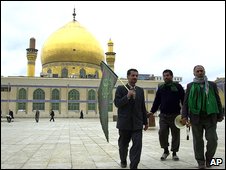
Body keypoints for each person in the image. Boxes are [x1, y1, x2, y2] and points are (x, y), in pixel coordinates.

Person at [181, 65, 224, 169]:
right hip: (196, 117)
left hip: (210, 117)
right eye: (198, 71)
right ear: (194, 73)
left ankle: (209, 160)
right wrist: (184, 116)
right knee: (198, 141)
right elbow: (185, 102)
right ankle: (200, 162)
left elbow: (218, 100)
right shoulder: (190, 86)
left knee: (213, 139)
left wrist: (221, 114)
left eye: (201, 71)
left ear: (204, 72)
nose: (200, 72)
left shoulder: (212, 85)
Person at [114, 68, 148, 169]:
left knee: (137, 146)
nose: (135, 77)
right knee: (123, 146)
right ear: (128, 76)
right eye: (133, 75)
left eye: (136, 76)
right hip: (124, 124)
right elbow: (117, 103)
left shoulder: (140, 91)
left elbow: (142, 107)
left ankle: (134, 166)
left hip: (137, 124)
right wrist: (127, 96)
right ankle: (123, 160)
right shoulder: (121, 88)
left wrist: (145, 122)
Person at [147, 69, 185, 161]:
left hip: (176, 116)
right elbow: (157, 101)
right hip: (163, 115)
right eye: (164, 76)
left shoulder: (178, 87)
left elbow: (184, 101)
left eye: (168, 75)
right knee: (162, 133)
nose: (166, 77)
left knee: (175, 134)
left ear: (172, 76)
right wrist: (152, 111)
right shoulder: (161, 87)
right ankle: (166, 150)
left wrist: (185, 114)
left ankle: (175, 152)